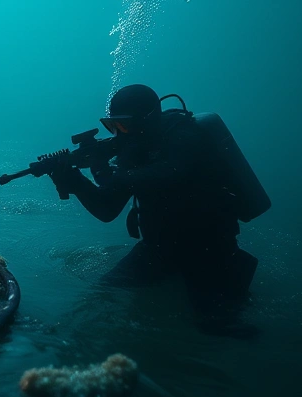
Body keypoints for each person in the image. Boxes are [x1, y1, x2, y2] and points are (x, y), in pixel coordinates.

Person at [47, 84, 271, 314]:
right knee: (102, 295)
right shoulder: (133, 150)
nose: (118, 133)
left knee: (217, 325)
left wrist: (106, 172)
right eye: (113, 126)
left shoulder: (184, 136)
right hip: (158, 248)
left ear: (146, 121)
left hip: (208, 248)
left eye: (123, 124)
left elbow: (169, 173)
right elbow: (107, 210)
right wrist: (76, 182)